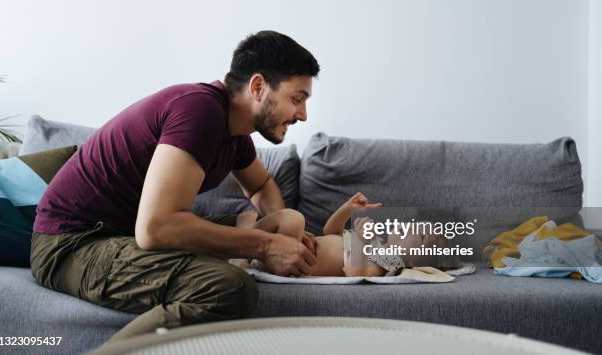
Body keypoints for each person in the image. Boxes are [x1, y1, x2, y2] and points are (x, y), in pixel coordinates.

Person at [30, 30, 320, 342]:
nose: (302, 115)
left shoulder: (235, 133)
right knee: (231, 288)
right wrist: (265, 245)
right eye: (296, 99)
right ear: (258, 86)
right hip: (71, 244)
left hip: (123, 235)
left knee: (254, 224)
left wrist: (285, 237)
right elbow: (155, 229)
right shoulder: (199, 113)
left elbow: (261, 186)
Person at [234, 193, 462, 277]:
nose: (413, 228)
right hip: (293, 246)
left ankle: (243, 238)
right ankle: (246, 241)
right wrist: (347, 209)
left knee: (293, 219)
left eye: (421, 238)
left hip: (293, 263)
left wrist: (363, 240)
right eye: (417, 225)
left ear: (414, 262)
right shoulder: (378, 244)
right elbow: (330, 232)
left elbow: (355, 273)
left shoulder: (386, 264)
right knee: (292, 221)